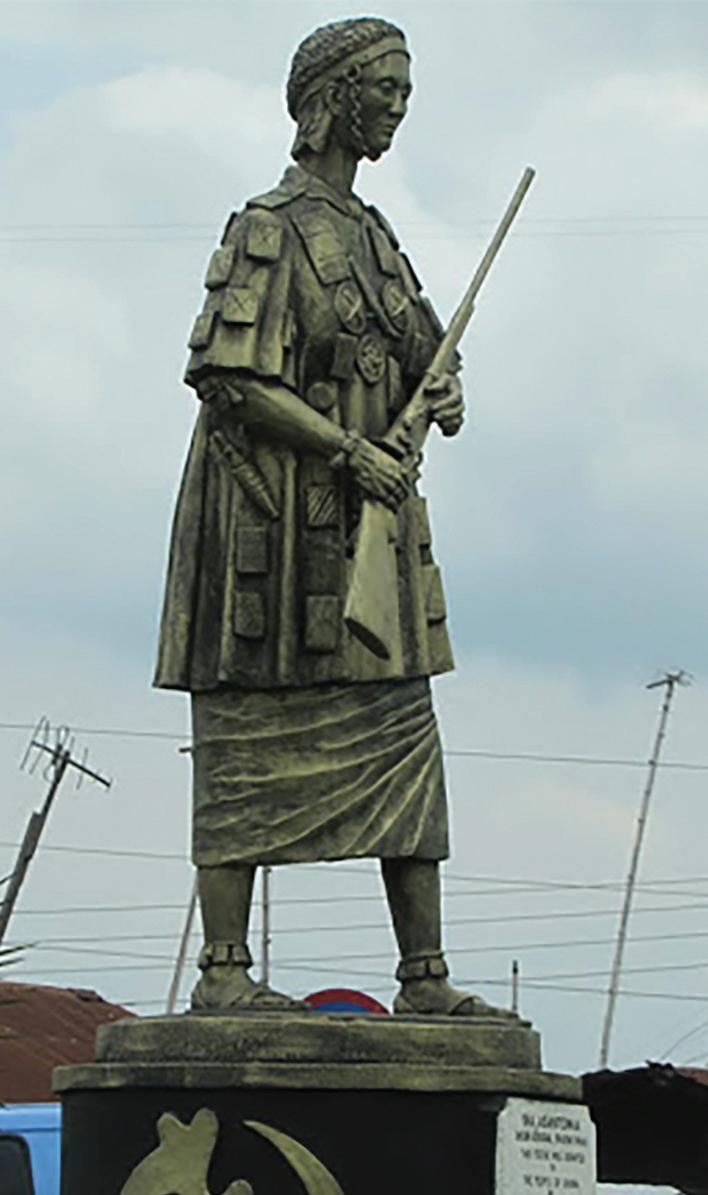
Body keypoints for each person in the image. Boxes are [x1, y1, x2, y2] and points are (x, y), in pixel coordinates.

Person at [155, 16, 509, 1018]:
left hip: (372, 541)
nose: (398, 106)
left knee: (403, 731)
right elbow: (231, 377)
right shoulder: (267, 227)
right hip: (274, 538)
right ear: (333, 97)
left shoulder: (376, 238)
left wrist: (442, 391)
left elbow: (419, 358)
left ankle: (424, 977)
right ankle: (224, 970)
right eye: (384, 87)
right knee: (246, 739)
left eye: (406, 90)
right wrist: (347, 450)